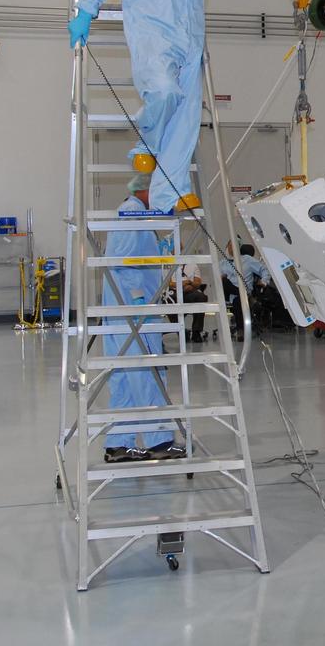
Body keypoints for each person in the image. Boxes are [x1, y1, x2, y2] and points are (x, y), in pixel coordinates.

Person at [68, 0, 279, 214]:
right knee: (164, 94)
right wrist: (86, 10)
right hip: (154, 36)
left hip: (191, 41)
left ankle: (168, 196)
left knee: (185, 123)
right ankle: (145, 148)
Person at [102, 175, 184, 462]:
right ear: (145, 190)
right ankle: (159, 442)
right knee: (148, 375)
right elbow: (123, 263)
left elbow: (138, 257)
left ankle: (118, 445)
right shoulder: (132, 216)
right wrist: (138, 299)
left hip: (124, 312)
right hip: (135, 312)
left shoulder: (136, 217)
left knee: (125, 379)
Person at [222, 243, 271, 339]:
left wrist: (264, 281)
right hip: (228, 293)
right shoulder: (222, 263)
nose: (231, 248)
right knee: (223, 280)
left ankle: (241, 330)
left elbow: (264, 269)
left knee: (237, 301)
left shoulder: (247, 260)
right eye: (229, 246)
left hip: (242, 295)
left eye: (233, 245)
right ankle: (245, 295)